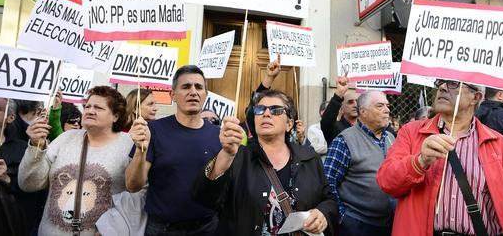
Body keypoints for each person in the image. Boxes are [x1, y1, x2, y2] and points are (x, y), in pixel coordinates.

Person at [377, 79, 503, 235]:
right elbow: (387, 182)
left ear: (476, 97)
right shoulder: (411, 132)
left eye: (452, 84)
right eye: (440, 82)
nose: (442, 87)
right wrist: (420, 161)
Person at [193, 89, 337, 235]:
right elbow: (204, 198)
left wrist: (322, 214)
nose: (266, 114)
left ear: (289, 124)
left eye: (276, 110)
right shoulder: (237, 156)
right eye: (260, 110)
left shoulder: (309, 158)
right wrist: (226, 154)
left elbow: (330, 200)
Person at [18, 86, 133, 236]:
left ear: (115, 116)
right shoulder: (66, 138)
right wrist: (35, 146)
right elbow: (29, 184)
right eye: (87, 106)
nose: (90, 111)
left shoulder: (129, 144)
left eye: (98, 107)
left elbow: (140, 193)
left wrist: (114, 227)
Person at [125, 65, 221, 236]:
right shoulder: (153, 131)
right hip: (163, 229)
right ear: (173, 95)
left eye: (199, 87)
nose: (193, 92)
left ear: (205, 94)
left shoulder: (219, 136)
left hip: (207, 228)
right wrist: (141, 150)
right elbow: (133, 185)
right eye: (186, 87)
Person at [324, 90, 395, 235]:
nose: (387, 110)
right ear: (363, 111)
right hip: (356, 225)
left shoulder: (391, 138)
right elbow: (328, 183)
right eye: (380, 106)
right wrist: (343, 217)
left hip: (388, 223)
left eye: (387, 105)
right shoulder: (344, 141)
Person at [0, 98, 40, 235]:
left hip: (8, 225)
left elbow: (34, 191)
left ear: (10, 117)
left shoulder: (23, 149)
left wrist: (7, 180)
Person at [320, 76, 359, 145]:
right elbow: (326, 121)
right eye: (350, 102)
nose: (355, 105)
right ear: (341, 108)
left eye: (357, 101)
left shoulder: (365, 127)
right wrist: (338, 94)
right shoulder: (336, 127)